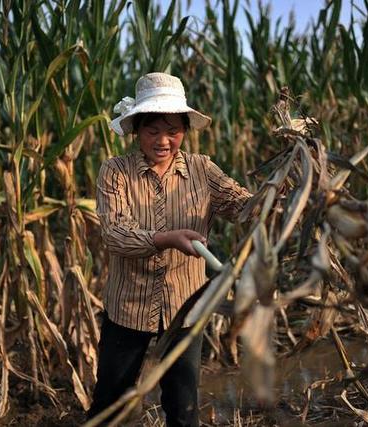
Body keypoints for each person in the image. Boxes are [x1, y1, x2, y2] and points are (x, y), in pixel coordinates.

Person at [88, 72, 252, 426]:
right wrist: (166, 238)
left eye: (173, 131)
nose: (163, 141)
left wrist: (283, 192)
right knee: (110, 403)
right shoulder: (116, 172)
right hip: (128, 305)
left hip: (185, 307)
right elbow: (115, 234)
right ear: (136, 131)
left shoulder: (201, 169)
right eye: (152, 131)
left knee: (183, 405)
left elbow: (243, 208)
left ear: (185, 131)